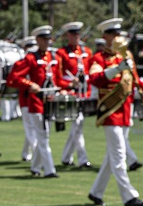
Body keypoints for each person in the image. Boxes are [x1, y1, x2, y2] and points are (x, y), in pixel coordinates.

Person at [86, 18, 143, 206]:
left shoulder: (126, 55)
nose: (116, 38)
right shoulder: (99, 58)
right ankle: (129, 196)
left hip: (125, 108)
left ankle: (96, 192)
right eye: (113, 34)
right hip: (110, 111)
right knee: (119, 155)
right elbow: (95, 79)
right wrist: (116, 70)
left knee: (111, 156)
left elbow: (134, 81)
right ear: (105, 37)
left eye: (118, 34)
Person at [7, 25, 68, 178]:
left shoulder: (55, 58)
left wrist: (68, 86)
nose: (47, 42)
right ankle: (49, 170)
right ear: (37, 40)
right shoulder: (30, 58)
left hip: (51, 102)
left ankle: (35, 167)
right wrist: (29, 85)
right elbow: (13, 79)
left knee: (44, 135)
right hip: (35, 103)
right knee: (43, 136)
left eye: (49, 39)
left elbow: (58, 80)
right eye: (44, 39)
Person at [56, 21, 93, 168]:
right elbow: (57, 76)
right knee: (78, 124)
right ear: (67, 36)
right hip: (71, 93)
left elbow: (90, 71)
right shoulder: (61, 53)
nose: (76, 37)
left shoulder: (87, 52)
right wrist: (68, 85)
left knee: (77, 126)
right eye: (73, 34)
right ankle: (83, 159)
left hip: (84, 92)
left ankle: (66, 157)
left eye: (78, 34)